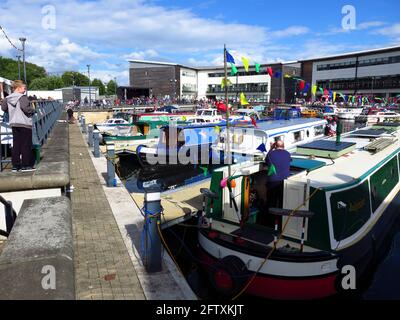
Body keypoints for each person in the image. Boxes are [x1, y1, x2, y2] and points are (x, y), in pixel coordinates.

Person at [1, 80, 36, 172]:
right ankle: (26, 165)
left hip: (14, 123)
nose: (25, 90)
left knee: (16, 145)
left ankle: (15, 166)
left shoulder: (7, 98)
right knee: (26, 145)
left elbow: (4, 108)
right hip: (24, 123)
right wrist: (33, 110)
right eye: (24, 88)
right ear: (18, 88)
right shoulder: (22, 97)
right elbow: (25, 108)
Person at [258, 140, 291, 226]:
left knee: (271, 202)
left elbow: (266, 160)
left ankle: (269, 222)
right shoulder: (287, 153)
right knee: (281, 202)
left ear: (275, 146)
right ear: (284, 146)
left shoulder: (271, 154)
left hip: (273, 182)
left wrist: (271, 148)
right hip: (285, 182)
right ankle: (280, 222)